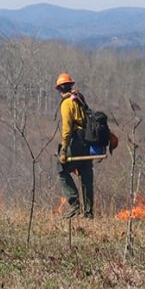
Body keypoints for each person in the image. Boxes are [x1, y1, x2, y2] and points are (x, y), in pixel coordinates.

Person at [56, 73, 95, 219]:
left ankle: (74, 205)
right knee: (86, 176)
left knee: (61, 170)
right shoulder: (79, 99)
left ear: (60, 89)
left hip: (76, 141)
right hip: (88, 141)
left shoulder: (67, 103)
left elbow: (67, 128)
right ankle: (88, 213)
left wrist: (64, 149)